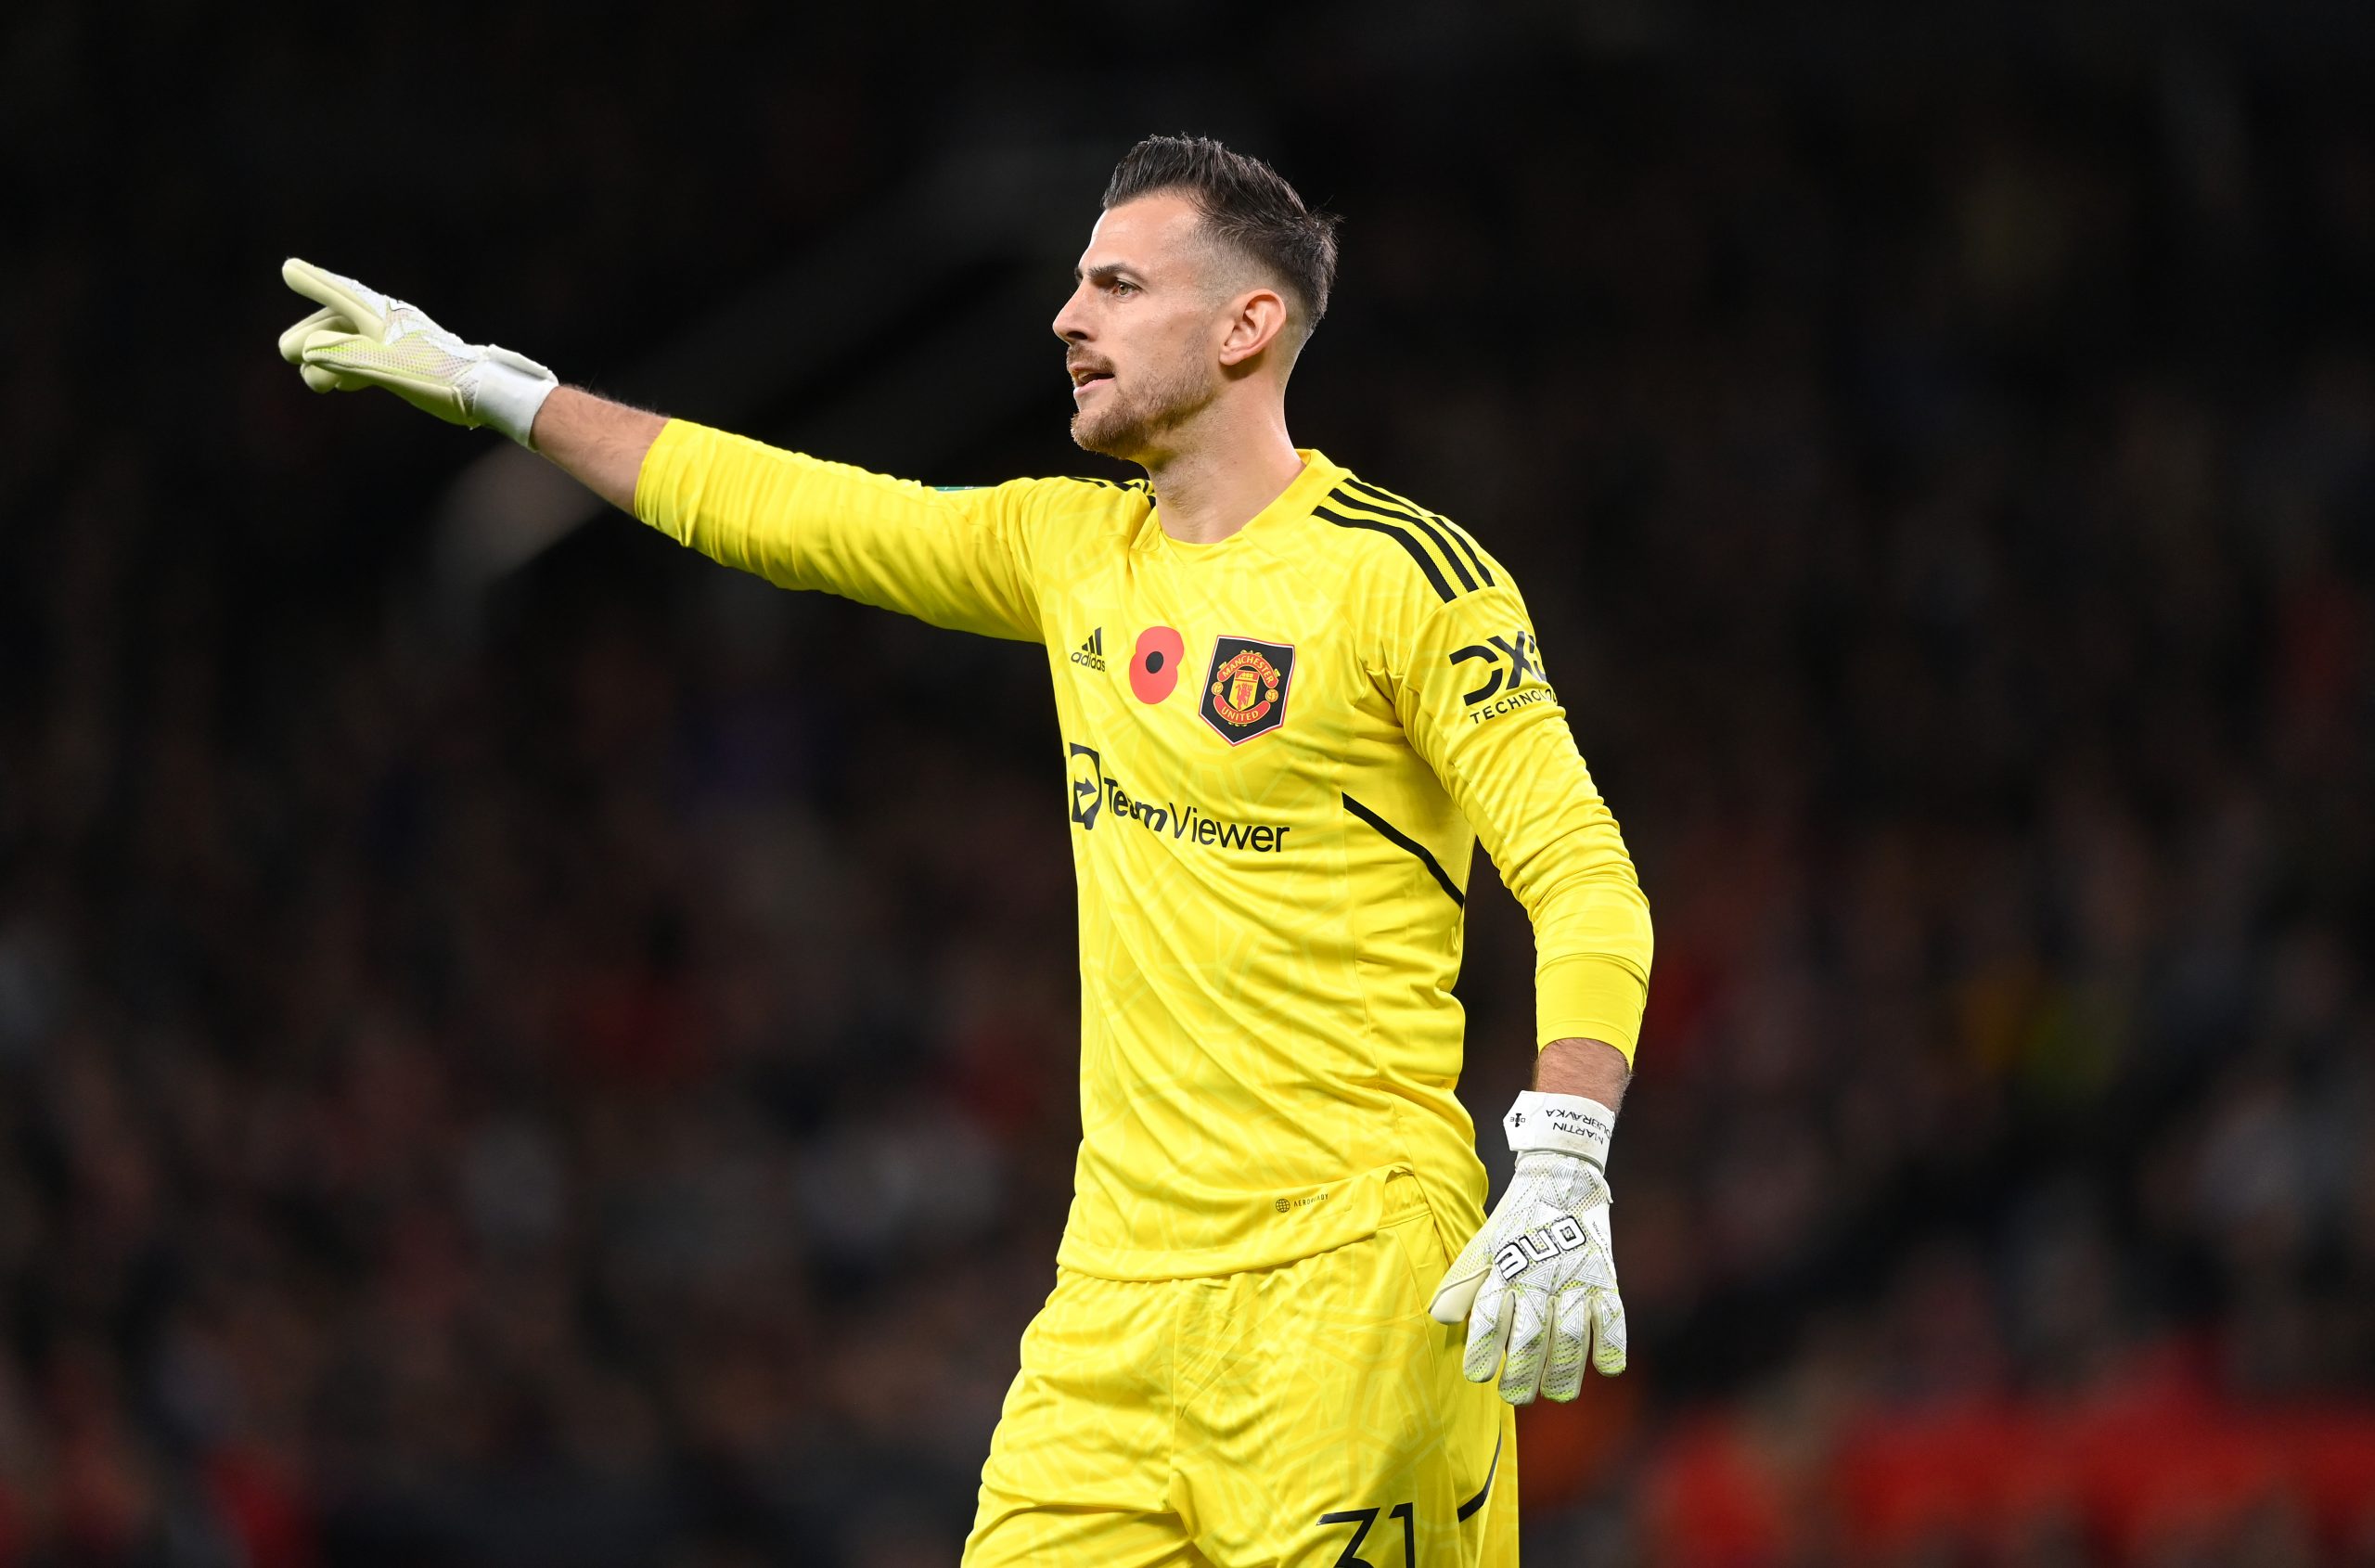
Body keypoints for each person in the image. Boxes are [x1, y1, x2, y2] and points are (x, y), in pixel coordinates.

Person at [277, 133, 1652, 1567]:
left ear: (1247, 327)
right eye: (1076, 285)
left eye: (1118, 285)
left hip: (1352, 1284)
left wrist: (1563, 1157)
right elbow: (792, 510)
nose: (1068, 317)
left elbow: (1581, 873)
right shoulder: (1070, 554)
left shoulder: (1404, 576)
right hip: (1113, 1310)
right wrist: (504, 387)